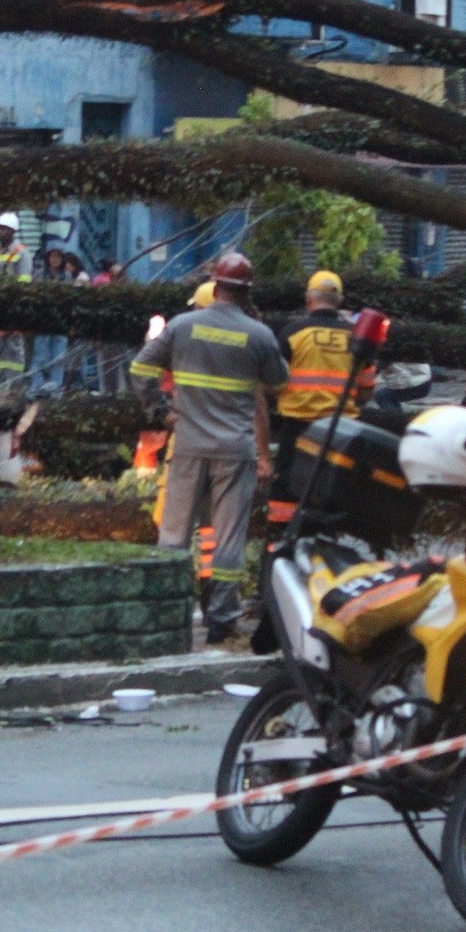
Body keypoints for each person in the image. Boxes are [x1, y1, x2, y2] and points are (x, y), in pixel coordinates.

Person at [137, 252, 288, 644]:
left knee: (174, 531)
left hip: (188, 443)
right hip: (235, 448)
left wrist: (161, 409)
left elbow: (140, 368)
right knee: (228, 537)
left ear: (214, 284)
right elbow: (278, 380)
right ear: (246, 292)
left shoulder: (183, 326)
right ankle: (221, 620)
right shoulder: (258, 335)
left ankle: (164, 614)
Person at [268, 270, 370, 525]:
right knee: (330, 491)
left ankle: (279, 543)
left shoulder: (293, 333)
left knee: (286, 492)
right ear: (339, 301)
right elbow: (367, 388)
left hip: (298, 428)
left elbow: (273, 382)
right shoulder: (356, 336)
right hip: (341, 430)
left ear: (308, 299)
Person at [0, 213, 29, 387]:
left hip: (14, 308)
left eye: (3, 229)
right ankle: (3, 384)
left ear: (12, 231)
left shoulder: (22, 253)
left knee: (14, 349)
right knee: (0, 349)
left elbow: (25, 285)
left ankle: (15, 385)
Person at [29, 245, 79, 395]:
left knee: (59, 357)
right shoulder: (39, 275)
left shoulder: (67, 277)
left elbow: (71, 300)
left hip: (61, 323)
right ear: (48, 258)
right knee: (40, 355)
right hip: (43, 321)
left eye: (58, 256)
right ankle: (37, 387)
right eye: (52, 256)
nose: (55, 259)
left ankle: (55, 389)